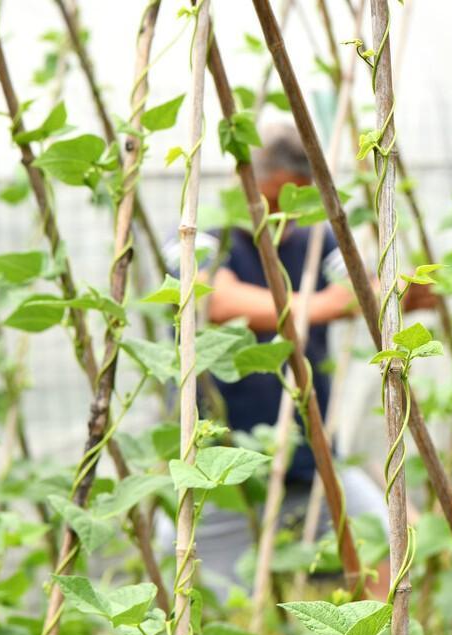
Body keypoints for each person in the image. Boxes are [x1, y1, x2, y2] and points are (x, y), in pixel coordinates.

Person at [161, 124, 433, 601]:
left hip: (310, 456)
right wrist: (327, 304)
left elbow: (361, 288)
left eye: (300, 200)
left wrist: (404, 292)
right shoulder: (197, 235)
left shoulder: (314, 243)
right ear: (248, 181)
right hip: (218, 471)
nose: (287, 214)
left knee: (387, 550)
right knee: (206, 600)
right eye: (277, 198)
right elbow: (216, 301)